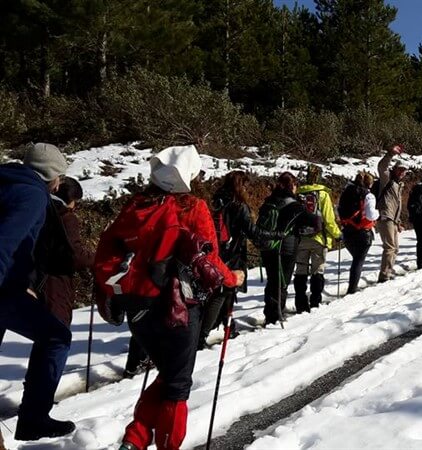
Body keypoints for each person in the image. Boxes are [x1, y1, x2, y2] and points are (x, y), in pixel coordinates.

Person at [106, 146, 245, 450]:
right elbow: (209, 259)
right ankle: (156, 442)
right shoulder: (192, 207)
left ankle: (134, 440)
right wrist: (233, 277)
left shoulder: (137, 204)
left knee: (169, 375)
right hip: (178, 308)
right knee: (178, 384)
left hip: (139, 309)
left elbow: (110, 249)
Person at [0, 143, 74, 440]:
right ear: (52, 175)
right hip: (3, 289)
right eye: (60, 176)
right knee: (56, 336)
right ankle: (33, 418)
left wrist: (26, 283)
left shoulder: (8, 182)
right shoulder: (32, 195)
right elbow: (5, 242)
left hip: (11, 286)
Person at [199, 171, 282, 348]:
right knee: (223, 294)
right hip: (233, 255)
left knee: (221, 293)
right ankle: (203, 335)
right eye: (245, 185)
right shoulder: (239, 206)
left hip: (215, 253)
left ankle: (229, 327)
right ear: (240, 186)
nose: (247, 189)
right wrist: (275, 235)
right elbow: (253, 232)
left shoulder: (217, 201)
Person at [34, 177, 95, 327]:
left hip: (33, 278)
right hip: (55, 282)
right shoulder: (66, 217)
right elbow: (75, 255)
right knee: (57, 335)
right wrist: (96, 258)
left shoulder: (39, 208)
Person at [257, 172, 307, 325]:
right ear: (292, 185)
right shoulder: (294, 204)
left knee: (272, 280)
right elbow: (306, 222)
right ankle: (276, 316)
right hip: (286, 247)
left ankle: (270, 313)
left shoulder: (269, 201)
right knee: (282, 282)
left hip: (268, 246)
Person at [294, 165, 341, 311]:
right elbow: (328, 218)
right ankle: (315, 302)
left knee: (300, 270)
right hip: (319, 238)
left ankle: (300, 303)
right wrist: (337, 234)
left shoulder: (298, 194)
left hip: (301, 238)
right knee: (317, 270)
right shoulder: (322, 194)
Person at [338, 173, 379, 295]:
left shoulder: (347, 192)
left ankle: (352, 287)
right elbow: (371, 215)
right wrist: (378, 214)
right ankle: (352, 289)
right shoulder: (368, 196)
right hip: (362, 231)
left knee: (356, 259)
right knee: (358, 261)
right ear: (369, 183)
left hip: (347, 230)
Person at [375, 145, 407, 282]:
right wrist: (390, 154)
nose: (402, 172)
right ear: (395, 169)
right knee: (390, 247)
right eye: (400, 169)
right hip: (385, 217)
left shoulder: (399, 185)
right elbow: (381, 167)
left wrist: (398, 222)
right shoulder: (387, 179)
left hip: (393, 220)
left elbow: (397, 205)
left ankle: (388, 270)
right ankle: (384, 275)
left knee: (395, 248)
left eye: (404, 170)